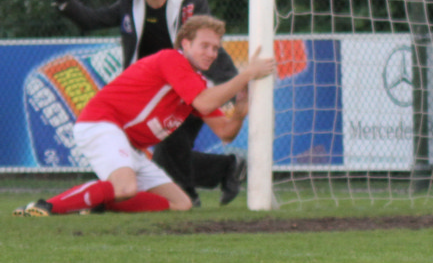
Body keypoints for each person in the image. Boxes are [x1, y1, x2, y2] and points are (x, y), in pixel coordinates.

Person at [14, 16, 275, 216]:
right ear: (185, 44)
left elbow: (226, 133)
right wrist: (247, 74)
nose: (211, 53)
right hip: (102, 124)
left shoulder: (196, 83)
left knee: (180, 204)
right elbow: (204, 102)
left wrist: (240, 111)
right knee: (125, 187)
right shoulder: (172, 59)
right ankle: (45, 207)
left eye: (215, 48)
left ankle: (97, 203)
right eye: (204, 46)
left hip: (129, 146)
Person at [52, 0, 246, 206]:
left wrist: (234, 85)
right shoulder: (129, 0)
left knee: (170, 147)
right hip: (154, 93)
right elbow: (91, 20)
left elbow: (208, 44)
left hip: (190, 86)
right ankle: (216, 175)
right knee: (166, 153)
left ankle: (199, 185)